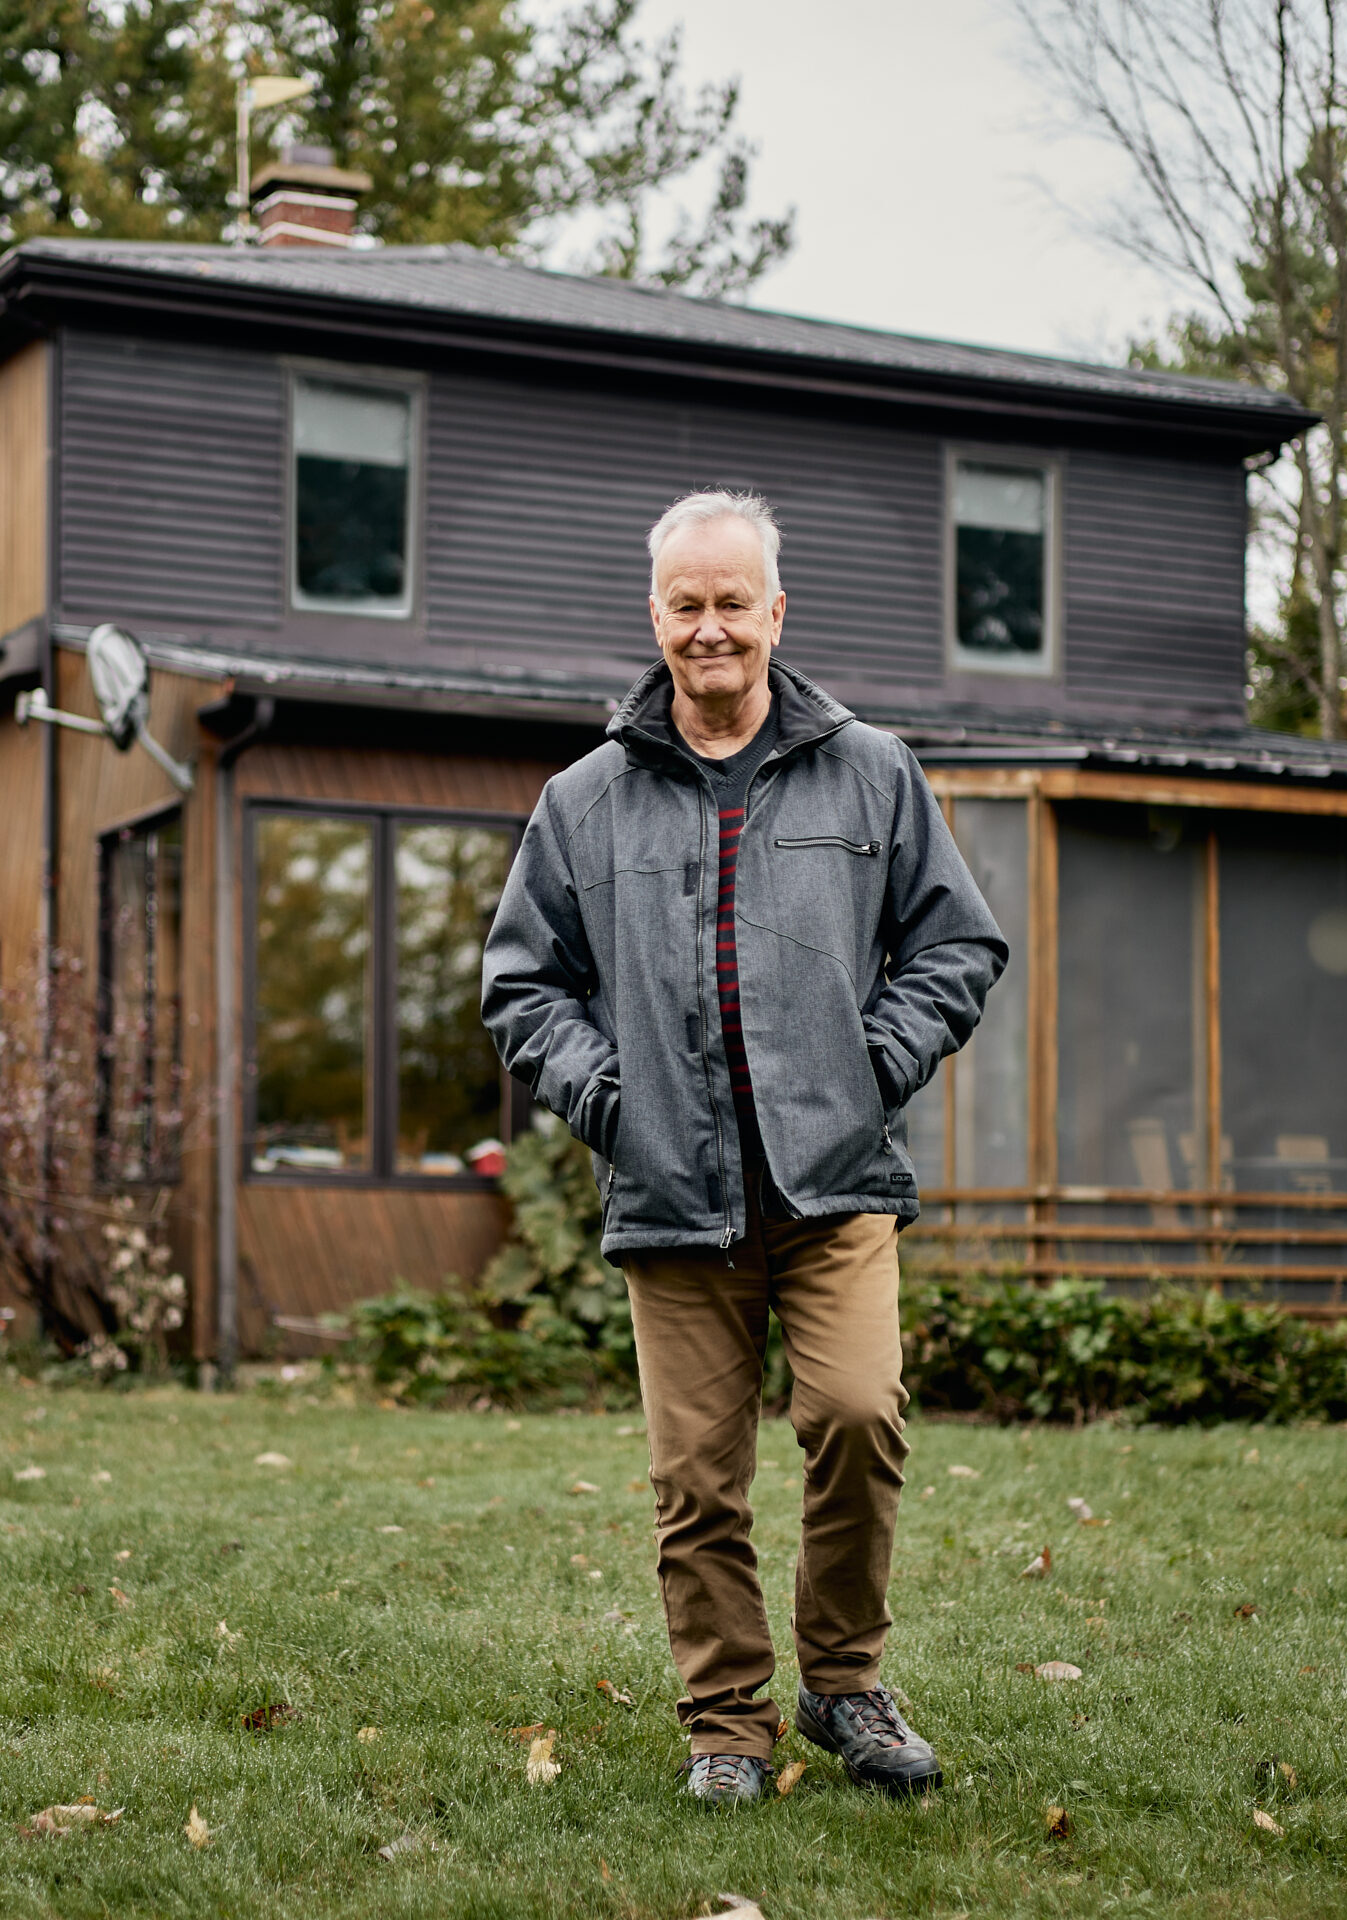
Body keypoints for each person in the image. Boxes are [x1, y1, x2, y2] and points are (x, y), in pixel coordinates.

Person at [481, 489, 1007, 1806]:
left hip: (834, 1185)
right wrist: (614, 1102)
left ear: (777, 612)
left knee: (854, 1414)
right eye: (685, 604)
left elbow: (958, 944)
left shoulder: (874, 772)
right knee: (696, 1483)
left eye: (732, 602)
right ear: (655, 618)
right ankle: (727, 1727)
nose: (710, 628)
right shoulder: (583, 801)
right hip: (674, 1193)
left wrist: (871, 1064)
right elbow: (520, 985)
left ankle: (843, 1684)